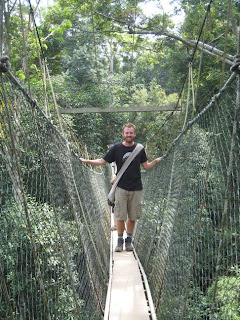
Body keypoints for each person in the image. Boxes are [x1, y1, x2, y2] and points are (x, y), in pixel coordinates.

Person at [80, 123, 162, 252]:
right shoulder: (116, 148)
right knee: (119, 216)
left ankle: (128, 241)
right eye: (127, 133)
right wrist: (87, 161)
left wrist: (155, 162)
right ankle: (119, 241)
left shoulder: (140, 148)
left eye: (131, 133)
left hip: (136, 187)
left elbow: (146, 167)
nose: (129, 135)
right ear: (123, 134)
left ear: (134, 134)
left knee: (133, 216)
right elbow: (102, 161)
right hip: (121, 187)